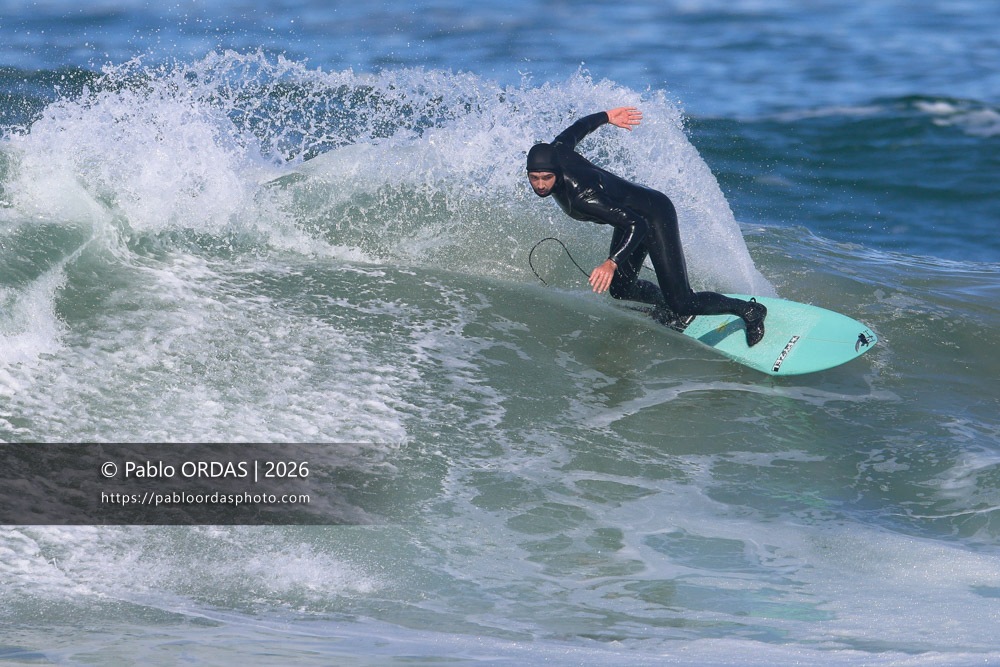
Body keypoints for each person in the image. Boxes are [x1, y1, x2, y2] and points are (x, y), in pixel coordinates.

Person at [526, 107, 767, 347]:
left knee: (682, 301)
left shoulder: (583, 197)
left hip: (653, 216)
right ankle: (666, 305)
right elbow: (577, 129)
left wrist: (612, 263)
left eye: (546, 178)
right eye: (534, 178)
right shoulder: (557, 151)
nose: (540, 185)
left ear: (556, 172)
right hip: (628, 218)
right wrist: (607, 117)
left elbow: (638, 224)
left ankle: (750, 310)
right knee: (621, 290)